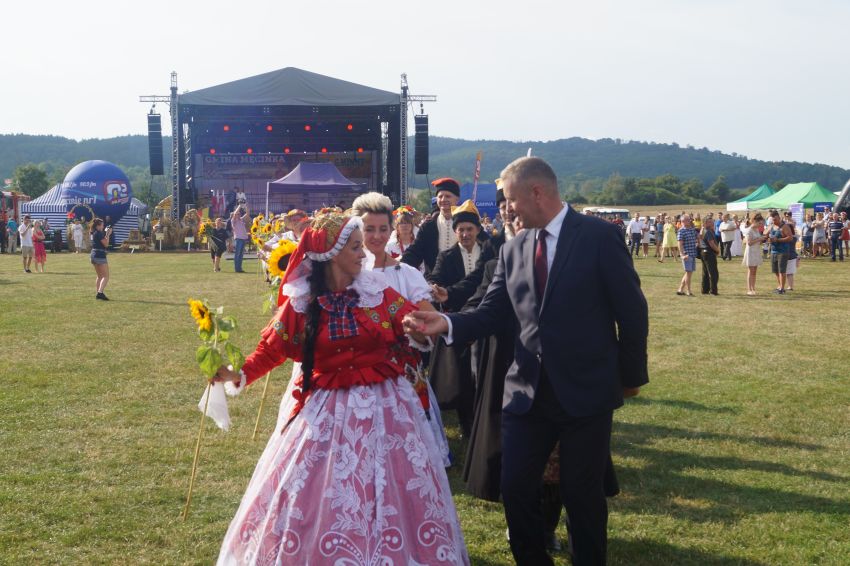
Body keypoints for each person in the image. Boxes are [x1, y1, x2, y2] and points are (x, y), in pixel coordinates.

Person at [404, 157, 648, 566]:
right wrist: (446, 322)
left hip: (585, 393)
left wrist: (629, 377)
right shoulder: (513, 248)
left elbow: (632, 311)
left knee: (582, 495)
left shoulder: (599, 237)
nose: (507, 209)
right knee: (515, 489)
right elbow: (491, 311)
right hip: (525, 394)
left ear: (537, 192)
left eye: (511, 200)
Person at [212, 210, 469, 565]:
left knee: (392, 486)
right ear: (330, 254)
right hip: (325, 414)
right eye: (355, 247)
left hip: (387, 412)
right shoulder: (301, 304)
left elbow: (412, 321)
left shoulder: (378, 293)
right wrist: (236, 373)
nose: (364, 254)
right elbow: (271, 350)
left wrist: (418, 331)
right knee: (321, 489)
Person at [351, 192, 451, 466]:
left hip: (402, 373)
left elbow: (430, 324)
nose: (376, 236)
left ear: (391, 229)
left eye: (383, 229)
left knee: (407, 455)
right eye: (369, 229)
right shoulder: (346, 275)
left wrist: (415, 330)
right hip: (357, 374)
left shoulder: (407, 274)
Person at [428, 200, 485, 439]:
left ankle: (484, 419)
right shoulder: (447, 256)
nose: (465, 234)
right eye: (460, 229)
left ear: (478, 230)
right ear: (455, 232)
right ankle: (467, 423)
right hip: (459, 322)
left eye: (469, 229)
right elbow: (436, 279)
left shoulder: (490, 251)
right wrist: (437, 288)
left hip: (486, 320)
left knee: (484, 372)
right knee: (462, 374)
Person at [401, 177, 461, 273]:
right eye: (440, 196)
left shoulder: (466, 224)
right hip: (434, 279)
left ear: (457, 199)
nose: (443, 199)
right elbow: (414, 252)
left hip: (463, 279)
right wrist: (399, 265)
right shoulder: (428, 226)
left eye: (448, 196)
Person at [768, 210, 794, 293]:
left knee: (782, 270)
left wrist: (778, 240)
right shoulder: (772, 226)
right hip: (773, 251)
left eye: (775, 219)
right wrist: (768, 239)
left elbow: (790, 238)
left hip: (783, 251)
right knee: (776, 271)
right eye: (772, 220)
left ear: (779, 218)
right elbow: (766, 234)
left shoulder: (785, 227)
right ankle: (779, 286)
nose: (774, 221)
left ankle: (782, 288)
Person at [742, 213, 767, 295]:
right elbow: (749, 243)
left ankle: (753, 288)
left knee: (755, 271)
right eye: (759, 223)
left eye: (761, 223)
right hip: (750, 252)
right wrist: (759, 239)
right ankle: (749, 289)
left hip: (756, 251)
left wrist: (762, 240)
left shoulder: (756, 229)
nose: (760, 225)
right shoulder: (749, 230)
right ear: (754, 221)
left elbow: (757, 241)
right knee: (751, 270)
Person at [90, 218, 112, 300]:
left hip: (94, 254)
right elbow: (106, 244)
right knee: (106, 276)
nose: (103, 227)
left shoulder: (94, 232)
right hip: (99, 255)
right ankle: (100, 293)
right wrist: (108, 234)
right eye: (102, 225)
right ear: (98, 226)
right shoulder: (99, 233)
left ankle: (98, 292)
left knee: (99, 276)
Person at [676, 214, 697, 296]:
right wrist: (682, 254)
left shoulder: (692, 229)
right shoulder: (681, 231)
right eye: (687, 220)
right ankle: (688, 290)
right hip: (686, 255)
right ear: (682, 221)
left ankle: (680, 289)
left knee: (689, 273)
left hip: (693, 254)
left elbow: (697, 238)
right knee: (688, 273)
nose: (689, 221)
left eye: (689, 219)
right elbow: (679, 244)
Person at [699, 215, 720, 295]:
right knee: (713, 272)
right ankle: (713, 291)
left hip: (704, 252)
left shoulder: (704, 230)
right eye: (710, 222)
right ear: (705, 223)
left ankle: (705, 289)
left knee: (705, 272)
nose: (712, 223)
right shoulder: (708, 231)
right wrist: (718, 250)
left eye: (712, 221)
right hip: (709, 252)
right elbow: (711, 243)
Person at [230, 204, 250, 272]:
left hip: (243, 239)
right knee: (237, 254)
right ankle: (237, 268)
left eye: (239, 214)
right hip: (238, 239)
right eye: (237, 214)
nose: (239, 215)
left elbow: (247, 214)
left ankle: (239, 268)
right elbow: (235, 213)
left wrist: (246, 206)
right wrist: (239, 206)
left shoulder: (241, 220)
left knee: (241, 255)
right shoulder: (233, 221)